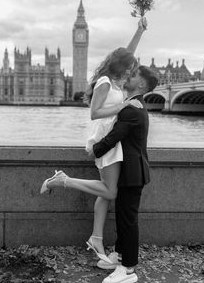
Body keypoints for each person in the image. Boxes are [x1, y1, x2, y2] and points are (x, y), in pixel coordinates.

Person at [40, 18, 147, 264]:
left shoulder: (114, 79)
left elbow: (127, 53)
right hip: (105, 138)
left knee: (106, 193)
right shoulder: (105, 82)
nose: (132, 71)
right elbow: (94, 112)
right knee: (111, 190)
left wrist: (139, 30)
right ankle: (62, 180)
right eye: (129, 67)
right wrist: (124, 105)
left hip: (114, 138)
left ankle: (96, 238)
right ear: (121, 66)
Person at [91, 65, 159, 283]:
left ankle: (128, 268)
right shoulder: (133, 105)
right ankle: (120, 255)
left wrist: (95, 149)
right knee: (122, 216)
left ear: (141, 84)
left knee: (128, 221)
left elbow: (114, 136)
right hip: (131, 171)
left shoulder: (132, 109)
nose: (129, 75)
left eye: (134, 75)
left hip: (132, 172)